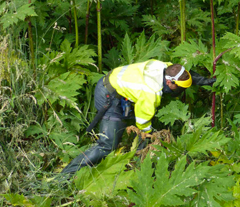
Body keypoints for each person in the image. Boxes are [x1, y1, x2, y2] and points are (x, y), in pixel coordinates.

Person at [61, 59, 215, 174]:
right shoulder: (151, 92)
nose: (180, 91)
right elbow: (143, 125)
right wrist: (149, 140)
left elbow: (184, 75)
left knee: (130, 126)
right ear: (169, 82)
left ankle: (136, 158)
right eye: (179, 88)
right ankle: (66, 175)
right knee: (108, 145)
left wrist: (206, 82)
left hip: (117, 88)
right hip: (108, 96)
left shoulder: (164, 67)